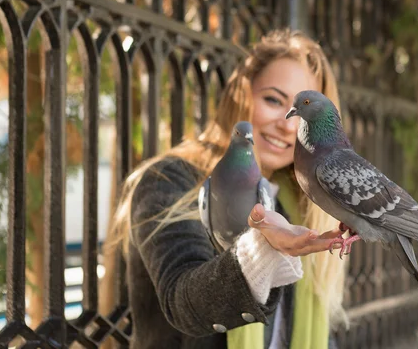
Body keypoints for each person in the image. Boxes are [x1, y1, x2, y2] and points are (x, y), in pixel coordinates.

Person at [107, 29, 349, 349]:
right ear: (241, 93)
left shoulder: (303, 206)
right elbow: (183, 303)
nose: (288, 124)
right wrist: (261, 251)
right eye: (274, 100)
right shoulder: (169, 181)